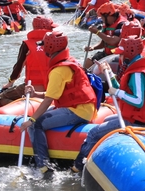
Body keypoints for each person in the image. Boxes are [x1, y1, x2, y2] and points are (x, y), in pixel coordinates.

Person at [74, 25, 145, 173]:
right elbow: (124, 89)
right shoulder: (136, 68)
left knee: (93, 133)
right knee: (106, 121)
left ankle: (78, 168)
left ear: (129, 54)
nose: (119, 56)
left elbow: (138, 101)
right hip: (132, 116)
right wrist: (109, 74)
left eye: (121, 54)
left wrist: (117, 92)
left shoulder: (138, 74)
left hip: (137, 120)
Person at [19, 32, 97, 178]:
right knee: (40, 117)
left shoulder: (59, 70)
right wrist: (36, 93)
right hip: (82, 107)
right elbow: (56, 94)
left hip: (78, 111)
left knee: (36, 124)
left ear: (50, 47)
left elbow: (49, 100)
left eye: (44, 46)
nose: (43, 49)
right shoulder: (68, 61)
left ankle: (43, 167)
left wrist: (31, 120)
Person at [3, 15, 56, 92]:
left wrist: (10, 83)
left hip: (33, 88)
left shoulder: (27, 44)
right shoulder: (57, 42)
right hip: (54, 87)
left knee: (1, 98)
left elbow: (19, 66)